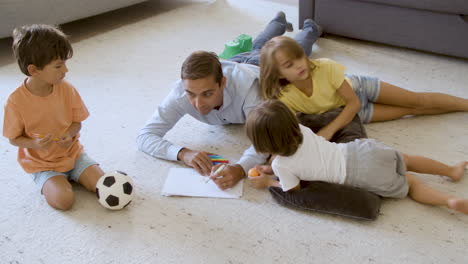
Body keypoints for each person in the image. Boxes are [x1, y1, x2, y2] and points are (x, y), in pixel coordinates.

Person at [137, 12, 322, 190]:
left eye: (207, 94)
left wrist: (240, 168)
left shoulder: (250, 92)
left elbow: (265, 141)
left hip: (258, 68)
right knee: (256, 46)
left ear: (222, 83)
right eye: (191, 94)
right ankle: (279, 22)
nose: (198, 104)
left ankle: (310, 28)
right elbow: (145, 136)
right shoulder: (179, 94)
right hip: (235, 62)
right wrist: (182, 153)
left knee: (289, 53)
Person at [245, 100, 468, 214]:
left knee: (410, 182)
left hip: (356, 175)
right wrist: (272, 166)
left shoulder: (283, 165)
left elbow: (292, 189)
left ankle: (448, 201)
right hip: (359, 151)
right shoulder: (302, 130)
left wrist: (267, 181)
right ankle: (450, 170)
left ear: (265, 145)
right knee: (405, 159)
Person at [259, 36, 468, 141]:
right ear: (278, 74)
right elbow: (287, 130)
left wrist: (329, 130)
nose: (300, 65)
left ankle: (465, 104)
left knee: (417, 101)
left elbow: (354, 102)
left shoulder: (325, 68)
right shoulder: (285, 98)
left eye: (300, 57)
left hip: (359, 91)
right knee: (411, 112)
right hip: (351, 113)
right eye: (289, 65)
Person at [3, 24, 104, 210]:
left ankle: (74, 174)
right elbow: (13, 139)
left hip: (73, 155)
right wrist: (34, 144)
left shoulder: (66, 89)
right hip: (42, 164)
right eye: (58, 66)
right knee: (64, 201)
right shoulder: (15, 102)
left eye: (65, 63)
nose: (65, 70)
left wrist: (69, 133)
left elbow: (77, 122)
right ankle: (50, 180)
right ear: (33, 70)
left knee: (103, 185)